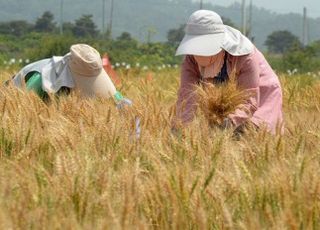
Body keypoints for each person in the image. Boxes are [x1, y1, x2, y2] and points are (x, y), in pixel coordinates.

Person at [172, 10, 284, 135]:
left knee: (250, 133)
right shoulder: (190, 60)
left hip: (262, 92)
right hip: (226, 98)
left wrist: (229, 123)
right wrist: (181, 126)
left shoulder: (244, 56)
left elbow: (249, 100)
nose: (198, 53)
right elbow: (187, 96)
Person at [8, 43, 140, 137]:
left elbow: (119, 102)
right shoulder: (40, 79)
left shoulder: (84, 69)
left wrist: (132, 124)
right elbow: (18, 115)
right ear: (70, 75)